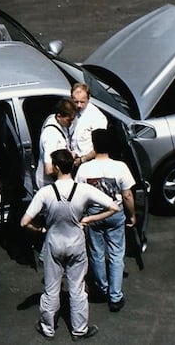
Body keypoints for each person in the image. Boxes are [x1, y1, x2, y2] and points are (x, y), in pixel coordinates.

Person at [21, 149, 120, 341]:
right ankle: (79, 329)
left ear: (56, 167)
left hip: (54, 243)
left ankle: (48, 327)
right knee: (77, 288)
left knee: (51, 288)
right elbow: (114, 207)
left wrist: (40, 230)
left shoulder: (45, 193)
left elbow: (24, 222)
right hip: (76, 243)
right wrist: (90, 218)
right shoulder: (83, 190)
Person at [75, 129, 136, 312]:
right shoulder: (120, 167)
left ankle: (101, 288)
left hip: (93, 214)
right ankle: (115, 296)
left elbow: (79, 194)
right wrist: (132, 215)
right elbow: (127, 195)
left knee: (96, 252)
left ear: (94, 145)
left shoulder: (84, 169)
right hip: (114, 213)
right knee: (117, 254)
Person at [36, 98, 77, 188]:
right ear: (59, 116)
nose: (71, 124)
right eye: (68, 120)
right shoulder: (51, 136)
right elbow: (49, 169)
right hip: (50, 185)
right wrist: (69, 162)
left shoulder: (53, 119)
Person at [69, 83, 108, 168]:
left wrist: (83, 159)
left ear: (88, 98)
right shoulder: (71, 112)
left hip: (89, 163)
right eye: (76, 102)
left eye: (82, 102)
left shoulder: (97, 117)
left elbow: (99, 146)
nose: (79, 105)